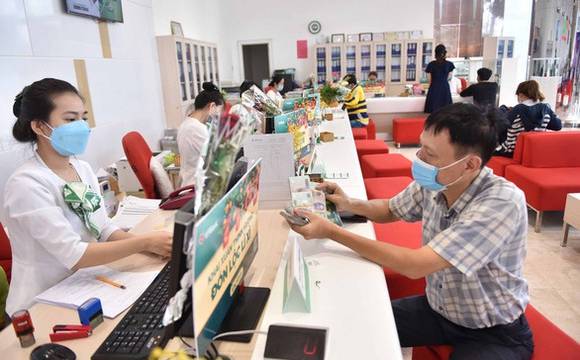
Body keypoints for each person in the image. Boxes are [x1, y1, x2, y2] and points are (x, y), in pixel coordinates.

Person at [286, 103, 534, 360]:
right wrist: (350, 203)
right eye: (420, 148)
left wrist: (331, 232)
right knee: (358, 324)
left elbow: (415, 265)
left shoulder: (501, 203)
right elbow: (391, 209)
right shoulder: (440, 180)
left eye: (430, 154)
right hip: (440, 311)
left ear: (470, 164)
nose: (420, 159)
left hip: (495, 332)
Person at [3, 78, 172, 314]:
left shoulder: (81, 168)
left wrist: (152, 247)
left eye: (83, 118)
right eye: (70, 119)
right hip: (42, 303)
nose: (81, 126)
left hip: (84, 285)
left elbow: (103, 229)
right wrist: (143, 242)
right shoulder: (27, 184)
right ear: (40, 127)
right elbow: (75, 255)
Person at [495, 80, 561, 157]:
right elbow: (558, 126)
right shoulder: (546, 109)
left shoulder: (518, 109)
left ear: (521, 95)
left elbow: (498, 128)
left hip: (512, 152)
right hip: (534, 151)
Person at [177, 82, 224, 186]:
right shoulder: (197, 128)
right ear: (211, 106)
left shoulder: (186, 123)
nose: (217, 116)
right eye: (217, 112)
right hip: (196, 186)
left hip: (191, 181)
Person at [424, 44, 455, 113]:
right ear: (444, 53)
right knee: (446, 110)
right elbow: (450, 77)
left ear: (435, 53)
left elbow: (428, 79)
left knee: (433, 110)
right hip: (444, 88)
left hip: (434, 87)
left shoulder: (431, 64)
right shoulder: (449, 64)